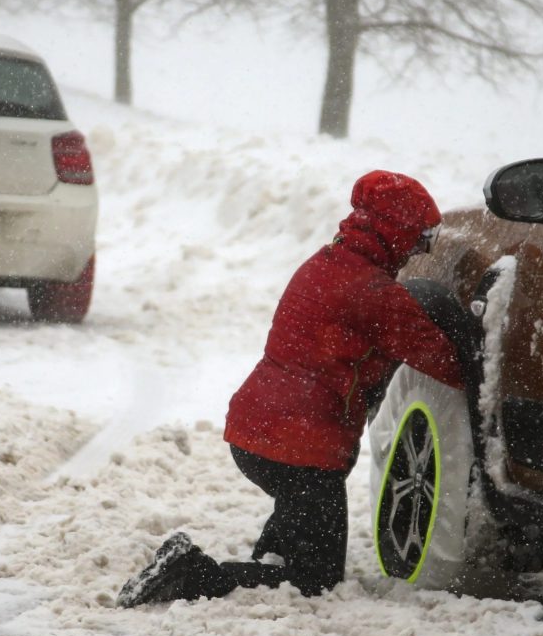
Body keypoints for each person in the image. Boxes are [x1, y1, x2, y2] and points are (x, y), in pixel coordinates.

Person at [117, 170, 463, 607]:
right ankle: (192, 573)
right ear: (395, 230)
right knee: (314, 581)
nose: (421, 250)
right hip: (300, 449)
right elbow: (444, 361)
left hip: (258, 433)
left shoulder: (327, 262)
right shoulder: (373, 293)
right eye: (421, 237)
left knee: (301, 511)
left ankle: (270, 554)